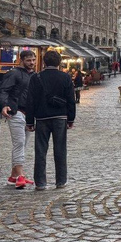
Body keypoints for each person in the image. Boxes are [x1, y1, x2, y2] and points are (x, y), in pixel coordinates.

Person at [26, 49, 76, 191]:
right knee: (60, 149)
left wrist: (30, 121)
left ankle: (40, 182)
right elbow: (71, 99)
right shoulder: (65, 77)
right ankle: (61, 180)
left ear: (44, 62)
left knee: (40, 150)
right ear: (59, 62)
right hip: (60, 117)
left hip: (42, 117)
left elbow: (30, 100)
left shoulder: (36, 77)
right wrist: (71, 118)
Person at [0, 49, 37, 189]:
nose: (31, 63)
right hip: (16, 111)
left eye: (33, 60)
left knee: (23, 144)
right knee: (19, 143)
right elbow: (3, 91)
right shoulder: (14, 73)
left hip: (29, 114)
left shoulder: (35, 76)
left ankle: (13, 177)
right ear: (21, 60)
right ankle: (20, 175)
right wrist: (4, 105)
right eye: (28, 60)